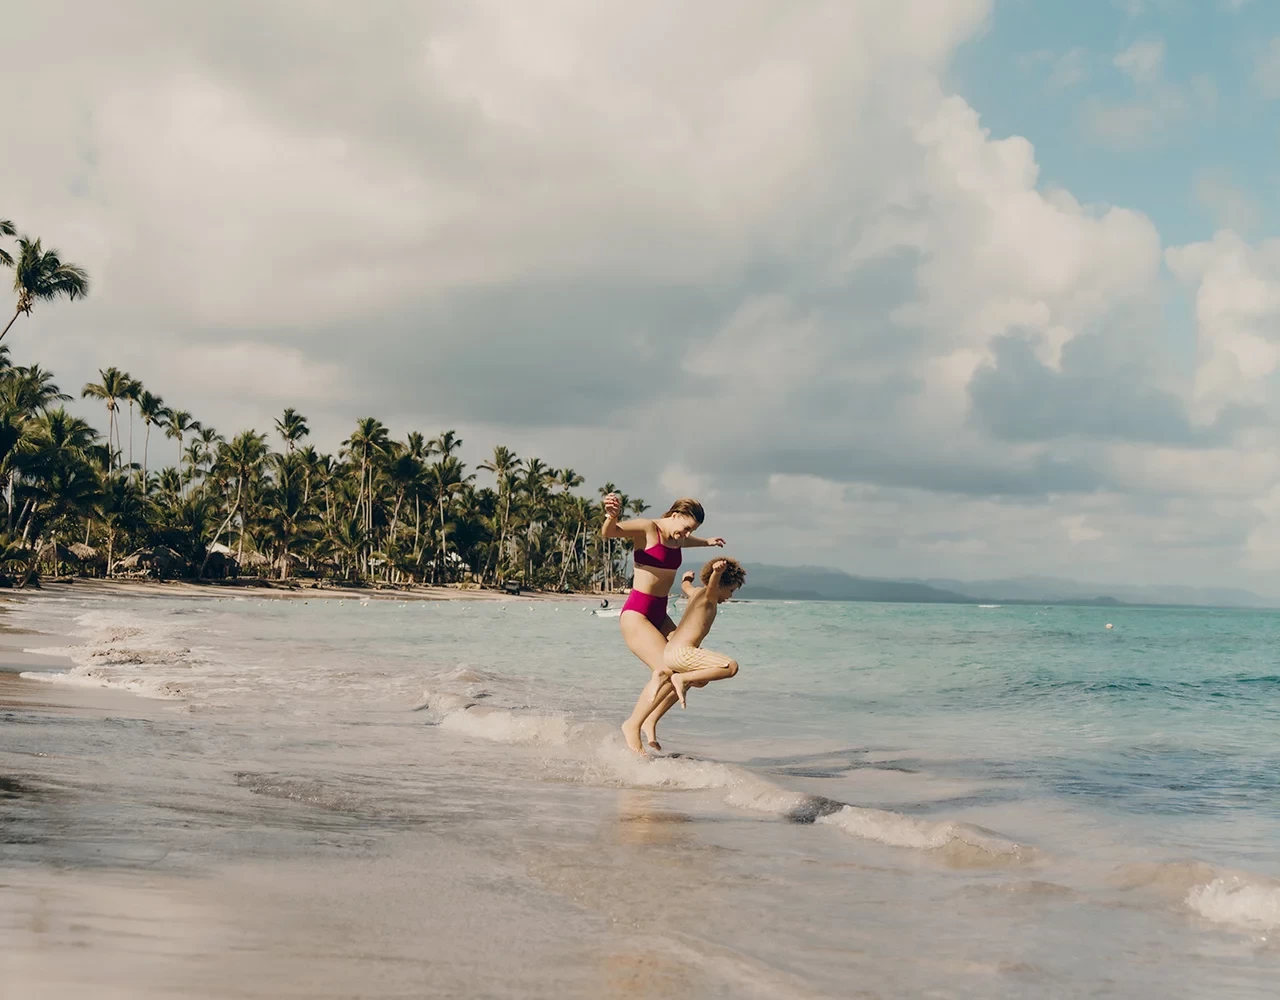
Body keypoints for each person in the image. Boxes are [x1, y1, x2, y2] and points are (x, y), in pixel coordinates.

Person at [601, 493, 724, 754]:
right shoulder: (648, 528)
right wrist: (611, 517)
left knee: (695, 675)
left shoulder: (676, 538)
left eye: (691, 530)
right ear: (675, 515)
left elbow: (685, 541)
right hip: (638, 614)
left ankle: (650, 721)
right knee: (667, 669)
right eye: (686, 527)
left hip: (660, 614)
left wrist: (707, 542)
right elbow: (611, 533)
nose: (685, 533)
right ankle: (632, 725)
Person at [661, 557, 744, 707]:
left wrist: (686, 579)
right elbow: (712, 587)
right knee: (731, 667)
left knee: (702, 680)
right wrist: (717, 573)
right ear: (720, 585)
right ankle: (680, 679)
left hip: (669, 653)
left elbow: (686, 586)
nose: (730, 596)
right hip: (682, 653)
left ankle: (664, 675)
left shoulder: (696, 592)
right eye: (730, 590)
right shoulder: (709, 597)